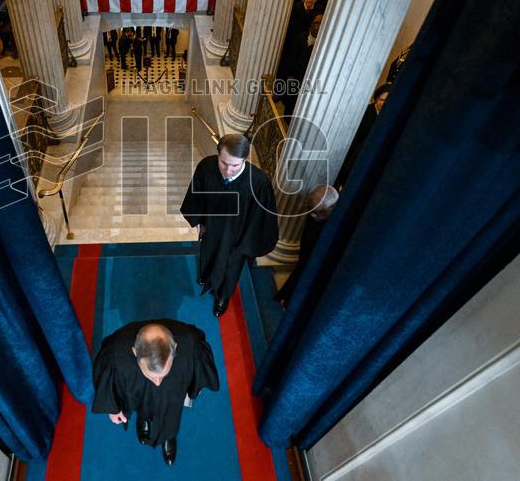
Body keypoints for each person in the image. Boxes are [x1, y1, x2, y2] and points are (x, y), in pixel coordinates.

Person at [92, 320, 219, 466]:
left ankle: (169, 436)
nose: (158, 382)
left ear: (175, 348)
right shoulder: (115, 355)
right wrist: (113, 409)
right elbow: (108, 384)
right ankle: (144, 418)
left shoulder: (190, 344)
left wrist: (194, 386)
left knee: (172, 414)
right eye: (152, 375)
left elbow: (199, 371)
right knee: (140, 402)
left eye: (162, 375)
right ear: (135, 352)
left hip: (172, 392)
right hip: (138, 389)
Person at [180, 134, 279, 317]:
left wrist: (246, 245)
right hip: (211, 227)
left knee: (230, 268)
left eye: (235, 165)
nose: (228, 170)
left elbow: (261, 218)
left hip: (237, 237)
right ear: (218, 154)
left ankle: (222, 297)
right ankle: (207, 276)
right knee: (208, 254)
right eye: (224, 163)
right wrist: (199, 220)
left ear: (244, 160)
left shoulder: (258, 183)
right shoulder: (206, 166)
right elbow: (198, 194)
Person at [274, 184, 338, 308]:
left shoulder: (335, 223)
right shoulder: (315, 218)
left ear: (332, 208)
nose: (312, 215)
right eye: (310, 209)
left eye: (318, 212)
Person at [335, 82, 391, 189]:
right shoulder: (363, 112)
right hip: (350, 156)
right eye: (382, 100)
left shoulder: (389, 116)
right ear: (376, 99)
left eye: (388, 101)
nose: (384, 103)